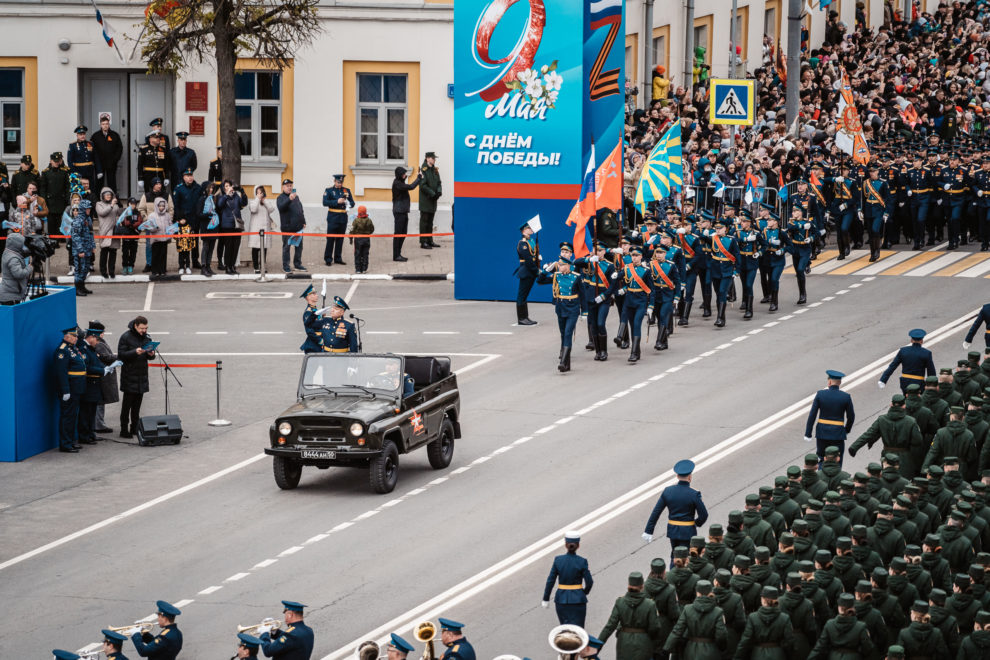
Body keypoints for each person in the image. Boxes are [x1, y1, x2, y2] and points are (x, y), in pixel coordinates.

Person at [643, 459, 709, 561]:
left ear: (677, 476)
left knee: (674, 556)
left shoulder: (668, 491)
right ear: (690, 477)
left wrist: (649, 530)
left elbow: (656, 512)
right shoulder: (694, 494)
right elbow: (703, 515)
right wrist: (696, 523)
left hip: (673, 531)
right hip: (688, 532)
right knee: (686, 558)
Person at [598, 571, 661, 660]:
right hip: (643, 643)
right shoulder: (650, 604)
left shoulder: (620, 602)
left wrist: (597, 645)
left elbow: (610, 626)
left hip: (624, 642)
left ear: (628, 585)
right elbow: (654, 628)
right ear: (642, 586)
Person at [537, 254, 583, 372]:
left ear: (568, 266)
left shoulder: (576, 277)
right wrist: (546, 270)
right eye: (559, 264)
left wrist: (585, 312)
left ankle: (563, 362)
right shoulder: (556, 276)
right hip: (561, 307)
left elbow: (583, 295)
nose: (559, 266)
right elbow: (540, 281)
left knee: (568, 333)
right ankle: (567, 364)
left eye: (561, 265)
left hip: (573, 308)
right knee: (563, 333)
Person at [663, 579, 728, 659]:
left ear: (697, 593)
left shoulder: (688, 609)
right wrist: (722, 648)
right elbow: (721, 635)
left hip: (691, 652)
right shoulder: (718, 611)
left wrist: (666, 648)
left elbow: (677, 631)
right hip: (711, 652)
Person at [542, 530, 594, 627]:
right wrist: (583, 592)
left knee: (565, 628)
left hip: (561, 600)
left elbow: (550, 581)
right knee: (579, 631)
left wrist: (546, 598)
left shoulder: (558, 560)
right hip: (578, 600)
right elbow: (589, 582)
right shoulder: (582, 561)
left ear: (565, 544)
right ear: (578, 545)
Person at [804, 369, 856, 467]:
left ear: (829, 381)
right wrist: (846, 430)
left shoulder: (820, 394)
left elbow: (812, 415)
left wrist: (808, 433)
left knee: (821, 458)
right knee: (837, 460)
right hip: (838, 434)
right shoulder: (846, 397)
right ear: (840, 382)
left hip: (822, 433)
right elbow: (851, 417)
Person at [118, 316, 156, 439]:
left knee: (137, 406)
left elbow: (150, 357)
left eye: (146, 328)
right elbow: (121, 355)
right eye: (141, 328)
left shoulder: (147, 337)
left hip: (141, 376)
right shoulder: (126, 337)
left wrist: (151, 354)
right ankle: (124, 430)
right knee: (127, 406)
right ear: (135, 326)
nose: (144, 331)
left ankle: (134, 428)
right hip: (129, 376)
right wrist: (135, 352)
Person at [733, 585, 794, 660]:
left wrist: (737, 657)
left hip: (758, 654)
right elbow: (789, 641)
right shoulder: (784, 618)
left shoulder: (753, 617)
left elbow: (745, 640)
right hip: (778, 654)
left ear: (763, 600)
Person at [54, 325, 85, 453]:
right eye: (74, 336)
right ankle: (65, 444)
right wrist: (65, 390)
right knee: (67, 416)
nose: (76, 338)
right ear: (67, 336)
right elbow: (61, 372)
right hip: (69, 389)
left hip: (76, 388)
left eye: (76, 336)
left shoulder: (72, 349)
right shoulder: (62, 351)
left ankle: (71, 441)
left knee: (73, 416)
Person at [77, 327, 109, 446]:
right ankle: (84, 436)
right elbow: (87, 367)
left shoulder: (90, 348)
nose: (98, 342)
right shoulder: (83, 349)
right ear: (90, 337)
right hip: (89, 384)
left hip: (95, 384)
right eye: (97, 339)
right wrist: (102, 370)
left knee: (92, 411)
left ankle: (91, 433)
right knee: (86, 412)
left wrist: (104, 368)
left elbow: (96, 361)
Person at [879, 329, 937, 394]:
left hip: (905, 382)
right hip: (919, 383)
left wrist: (883, 379)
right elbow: (931, 371)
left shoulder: (903, 351)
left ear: (911, 340)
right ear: (922, 341)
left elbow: (892, 366)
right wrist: (932, 385)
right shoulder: (926, 353)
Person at [88, 320, 118, 434]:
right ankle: (99, 425)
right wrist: (119, 357)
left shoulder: (99, 342)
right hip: (103, 377)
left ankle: (99, 424)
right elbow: (106, 357)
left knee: (100, 402)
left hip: (102, 375)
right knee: (100, 402)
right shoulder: (99, 344)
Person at [172, 168, 203, 271]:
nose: (190, 177)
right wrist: (178, 219)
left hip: (195, 219)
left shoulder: (198, 188)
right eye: (187, 176)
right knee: (183, 243)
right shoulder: (179, 189)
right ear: (183, 177)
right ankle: (182, 263)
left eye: (191, 175)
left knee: (195, 241)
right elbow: (176, 206)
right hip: (184, 220)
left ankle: (195, 260)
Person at [391, 166, 421, 261]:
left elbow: (406, 184)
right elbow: (411, 187)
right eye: (403, 174)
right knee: (398, 234)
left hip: (403, 211)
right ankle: (396, 255)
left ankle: (398, 253)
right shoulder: (397, 184)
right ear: (399, 175)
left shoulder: (400, 182)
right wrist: (418, 179)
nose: (405, 175)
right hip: (399, 211)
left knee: (403, 233)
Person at [276, 178, 307, 274]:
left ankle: (297, 264)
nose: (289, 187)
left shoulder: (296, 197)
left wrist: (303, 221)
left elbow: (300, 209)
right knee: (286, 247)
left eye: (290, 185)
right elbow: (281, 208)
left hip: (298, 227)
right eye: (287, 186)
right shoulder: (280, 198)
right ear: (283, 187)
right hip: (287, 228)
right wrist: (289, 199)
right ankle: (286, 266)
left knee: (299, 247)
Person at [217, 180, 247, 274]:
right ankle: (227, 267)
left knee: (236, 247)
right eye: (226, 186)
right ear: (223, 188)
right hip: (227, 226)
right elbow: (219, 205)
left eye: (230, 185)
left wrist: (242, 191)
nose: (229, 187)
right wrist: (226, 194)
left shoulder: (236, 196)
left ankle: (233, 266)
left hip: (237, 225)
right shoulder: (222, 197)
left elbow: (244, 203)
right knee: (229, 247)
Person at [322, 174, 354, 266]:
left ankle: (338, 258)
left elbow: (352, 202)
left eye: (341, 182)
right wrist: (337, 201)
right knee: (330, 239)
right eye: (338, 182)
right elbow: (325, 202)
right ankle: (328, 258)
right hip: (333, 217)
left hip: (343, 218)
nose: (340, 184)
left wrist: (348, 203)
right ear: (334, 181)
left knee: (340, 239)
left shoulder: (346, 191)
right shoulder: (329, 191)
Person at [514, 220, 540, 326]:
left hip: (530, 271)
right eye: (529, 228)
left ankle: (525, 317)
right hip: (526, 271)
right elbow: (528, 260)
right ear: (524, 231)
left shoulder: (531, 241)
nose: (531, 229)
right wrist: (536, 270)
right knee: (522, 295)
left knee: (525, 295)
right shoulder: (523, 243)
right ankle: (521, 318)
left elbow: (533, 256)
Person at [248, 185, 277, 274]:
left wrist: (264, 200)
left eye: (262, 192)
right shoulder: (253, 202)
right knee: (255, 249)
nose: (260, 194)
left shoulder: (265, 202)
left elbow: (271, 209)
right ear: (255, 193)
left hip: (265, 229)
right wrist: (257, 198)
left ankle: (263, 266)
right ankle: (256, 267)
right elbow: (253, 209)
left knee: (264, 249)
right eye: (258, 192)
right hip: (256, 228)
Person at [91, 113, 123, 193]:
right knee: (99, 183)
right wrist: (95, 162)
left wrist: (115, 159)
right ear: (100, 125)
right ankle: (98, 200)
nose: (105, 126)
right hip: (99, 164)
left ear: (109, 124)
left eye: (107, 124)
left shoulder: (115, 135)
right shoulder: (95, 136)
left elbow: (119, 148)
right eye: (103, 124)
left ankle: (113, 199)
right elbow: (92, 150)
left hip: (111, 163)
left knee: (111, 182)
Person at [41, 151, 71, 235]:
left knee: (60, 221)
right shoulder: (45, 172)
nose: (57, 163)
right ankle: (52, 239)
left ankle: (58, 238)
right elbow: (43, 188)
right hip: (50, 201)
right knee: (51, 221)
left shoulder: (64, 172)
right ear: (51, 161)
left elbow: (67, 187)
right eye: (55, 161)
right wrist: (44, 200)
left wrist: (67, 199)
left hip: (61, 200)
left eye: (58, 161)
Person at [95, 187, 121, 278]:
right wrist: (111, 205)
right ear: (102, 196)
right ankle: (103, 271)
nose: (108, 196)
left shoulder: (115, 205)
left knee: (113, 252)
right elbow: (102, 213)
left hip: (114, 231)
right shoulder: (99, 204)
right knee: (104, 252)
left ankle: (111, 271)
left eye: (110, 195)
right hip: (105, 231)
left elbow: (119, 214)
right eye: (106, 195)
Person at [71, 199, 95, 296]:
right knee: (80, 269)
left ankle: (82, 286)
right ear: (82, 209)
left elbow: (91, 233)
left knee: (85, 269)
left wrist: (93, 246)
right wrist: (80, 250)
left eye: (89, 209)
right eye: (87, 209)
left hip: (88, 248)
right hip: (80, 250)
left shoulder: (88, 219)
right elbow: (75, 237)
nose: (89, 210)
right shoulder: (78, 220)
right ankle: (77, 288)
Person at [419, 152, 442, 249]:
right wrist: (432, 194)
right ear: (427, 158)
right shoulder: (423, 170)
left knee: (430, 221)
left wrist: (439, 192)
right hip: (426, 200)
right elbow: (423, 185)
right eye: (432, 158)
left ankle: (430, 240)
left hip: (433, 201)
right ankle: (423, 241)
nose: (434, 160)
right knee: (424, 222)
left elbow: (439, 182)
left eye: (434, 158)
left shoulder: (434, 170)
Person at [146, 197, 173, 279]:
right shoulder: (151, 216)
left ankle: (162, 270)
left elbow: (170, 224)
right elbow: (149, 227)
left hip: (164, 239)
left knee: (163, 255)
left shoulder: (167, 215)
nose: (161, 207)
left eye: (163, 206)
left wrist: (171, 230)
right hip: (155, 239)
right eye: (160, 206)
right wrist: (155, 228)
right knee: (155, 255)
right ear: (156, 206)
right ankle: (155, 271)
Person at [0, 233, 30, 305]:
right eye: (22, 244)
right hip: (11, 296)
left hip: (9, 292)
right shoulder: (13, 258)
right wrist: (30, 268)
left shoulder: (8, 252)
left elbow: (19, 255)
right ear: (17, 245)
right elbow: (19, 274)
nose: (23, 246)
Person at [117, 197, 143, 275]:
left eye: (134, 204)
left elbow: (139, 222)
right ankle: (125, 266)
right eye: (131, 204)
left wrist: (133, 224)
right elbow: (123, 221)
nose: (132, 205)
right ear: (128, 204)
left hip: (134, 235)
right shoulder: (125, 212)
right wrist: (129, 223)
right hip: (126, 235)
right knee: (125, 252)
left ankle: (131, 266)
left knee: (133, 252)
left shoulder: (138, 213)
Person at [350, 205, 374, 274]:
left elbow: (352, 230)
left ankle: (358, 269)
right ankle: (364, 269)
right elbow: (372, 229)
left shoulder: (356, 220)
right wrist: (368, 233)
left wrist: (350, 237)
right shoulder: (369, 220)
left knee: (357, 254)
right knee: (365, 254)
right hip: (366, 239)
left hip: (358, 240)